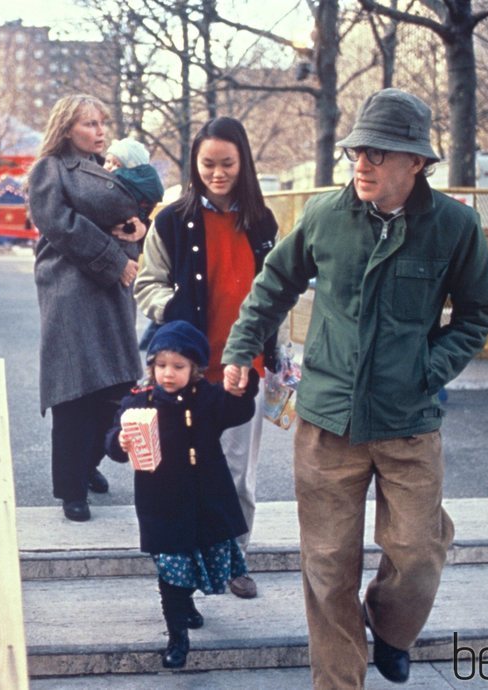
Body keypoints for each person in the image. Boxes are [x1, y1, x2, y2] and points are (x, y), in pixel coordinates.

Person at [221, 89, 488, 688]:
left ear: (416, 163)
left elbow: (481, 310)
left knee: (418, 553)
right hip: (327, 424)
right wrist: (241, 347)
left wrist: (431, 367)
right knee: (327, 569)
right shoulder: (325, 215)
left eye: (379, 153)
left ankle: (393, 629)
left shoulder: (455, 226)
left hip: (409, 421)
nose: (362, 164)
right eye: (356, 152)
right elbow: (274, 284)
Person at [133, 116, 278, 599]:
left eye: (228, 164)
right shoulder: (172, 220)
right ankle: (184, 569)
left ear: (245, 163)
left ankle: (236, 559)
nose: (218, 174)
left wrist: (276, 358)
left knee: (238, 475)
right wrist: (171, 308)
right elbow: (145, 283)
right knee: (180, 472)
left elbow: (278, 292)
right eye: (208, 164)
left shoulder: (263, 223)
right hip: (185, 374)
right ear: (194, 164)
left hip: (244, 371)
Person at [105, 320, 259, 669]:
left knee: (197, 560)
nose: (168, 374)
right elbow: (113, 437)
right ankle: (178, 638)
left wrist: (244, 387)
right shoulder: (139, 400)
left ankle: (187, 604)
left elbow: (240, 410)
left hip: (205, 498)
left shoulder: (208, 398)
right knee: (171, 568)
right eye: (160, 365)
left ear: (196, 369)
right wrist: (121, 440)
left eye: (178, 366)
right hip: (160, 502)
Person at [28, 94, 148, 522]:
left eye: (102, 123)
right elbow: (60, 225)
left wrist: (138, 230)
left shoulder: (106, 170)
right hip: (71, 292)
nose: (100, 131)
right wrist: (115, 259)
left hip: (110, 291)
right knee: (75, 392)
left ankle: (89, 460)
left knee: (116, 388)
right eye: (89, 124)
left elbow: (129, 220)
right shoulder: (50, 169)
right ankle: (71, 487)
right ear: (66, 129)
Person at [103, 137, 166, 228]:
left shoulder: (123, 185)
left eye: (118, 165)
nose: (109, 166)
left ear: (131, 170)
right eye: (108, 161)